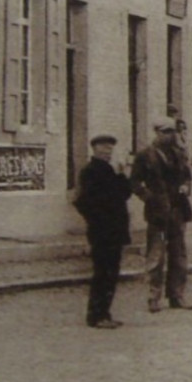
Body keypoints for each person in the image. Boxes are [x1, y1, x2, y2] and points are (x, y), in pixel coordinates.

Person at [130, 118, 192, 312]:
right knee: (156, 256)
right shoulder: (145, 156)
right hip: (157, 212)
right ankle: (153, 298)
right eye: (165, 132)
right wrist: (148, 197)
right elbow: (134, 182)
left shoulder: (180, 154)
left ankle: (177, 295)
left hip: (177, 210)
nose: (169, 135)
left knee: (179, 256)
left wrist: (186, 187)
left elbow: (188, 177)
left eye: (172, 132)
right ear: (156, 133)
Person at [73, 133, 133, 329]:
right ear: (95, 149)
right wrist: (98, 220)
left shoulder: (111, 170)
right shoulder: (90, 171)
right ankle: (96, 316)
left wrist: (121, 173)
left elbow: (125, 193)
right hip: (102, 230)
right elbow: (82, 201)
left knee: (111, 273)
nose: (108, 151)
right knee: (102, 273)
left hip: (115, 229)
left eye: (110, 147)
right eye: (104, 147)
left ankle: (105, 313)